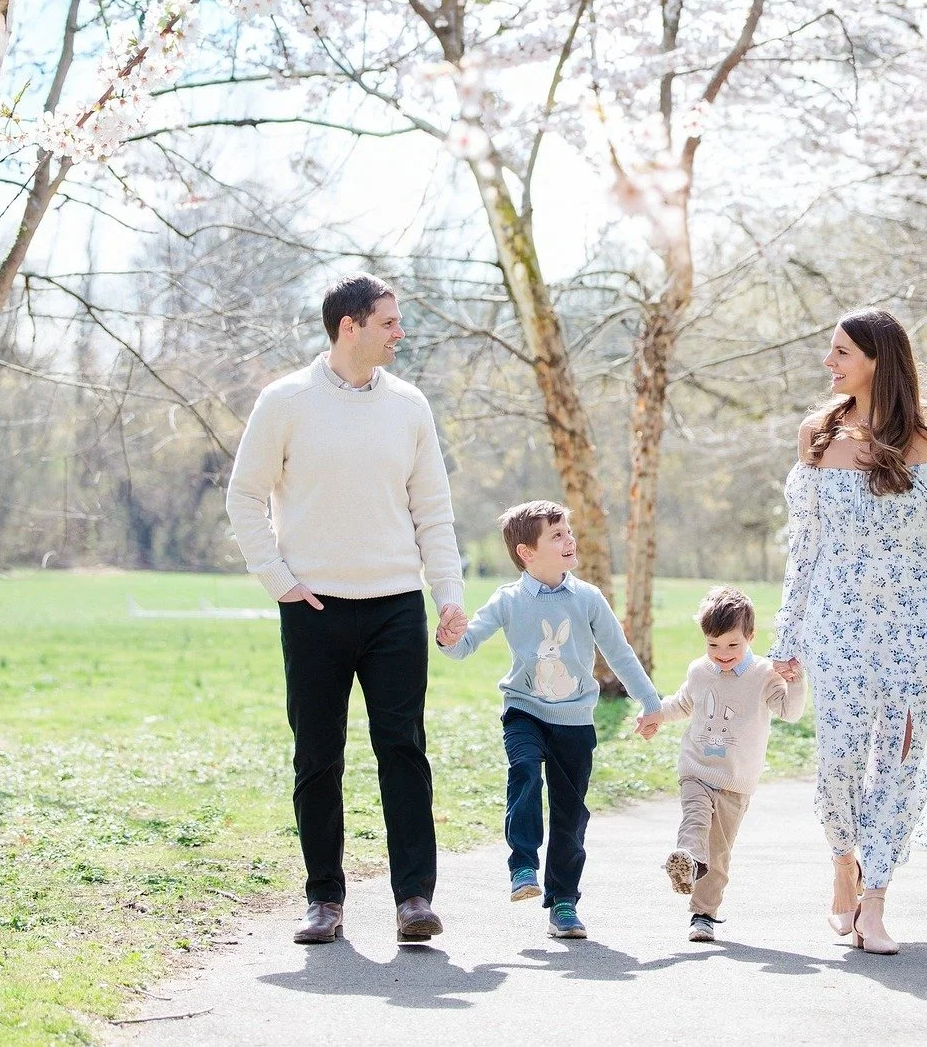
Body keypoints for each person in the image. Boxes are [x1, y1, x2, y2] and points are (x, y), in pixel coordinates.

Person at [225, 274, 468, 947]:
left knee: (403, 750)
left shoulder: (410, 406)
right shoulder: (285, 401)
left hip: (395, 607)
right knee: (317, 757)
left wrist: (448, 593)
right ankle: (323, 902)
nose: (400, 332)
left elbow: (434, 511)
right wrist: (278, 579)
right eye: (389, 322)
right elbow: (244, 497)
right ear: (349, 327)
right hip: (314, 607)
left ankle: (415, 899)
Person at [771, 306, 927, 956]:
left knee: (897, 761)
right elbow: (805, 550)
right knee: (839, 760)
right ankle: (843, 863)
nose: (829, 363)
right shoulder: (817, 435)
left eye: (841, 352)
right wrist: (786, 638)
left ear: (877, 359)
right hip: (837, 624)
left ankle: (875, 901)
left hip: (919, 629)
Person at [439, 500, 660, 940]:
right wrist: (449, 638)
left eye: (568, 532)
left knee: (569, 814)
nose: (569, 541)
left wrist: (650, 702)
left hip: (575, 720)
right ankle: (522, 864)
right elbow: (465, 645)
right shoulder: (508, 600)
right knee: (523, 772)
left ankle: (563, 901)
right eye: (556, 535)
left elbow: (618, 653)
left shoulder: (588, 599)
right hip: (523, 710)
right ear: (527, 552)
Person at [637, 586, 806, 943]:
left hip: (736, 780)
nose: (722, 654)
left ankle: (704, 913)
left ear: (750, 637)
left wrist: (797, 680)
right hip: (697, 768)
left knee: (720, 853)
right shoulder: (700, 671)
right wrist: (654, 716)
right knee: (694, 819)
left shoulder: (764, 674)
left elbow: (790, 712)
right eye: (713, 646)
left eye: (732, 645)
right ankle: (687, 860)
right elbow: (682, 704)